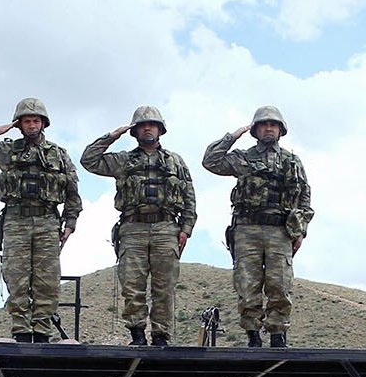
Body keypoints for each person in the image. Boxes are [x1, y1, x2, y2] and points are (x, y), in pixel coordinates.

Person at [0, 98, 83, 342]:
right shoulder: (7, 151)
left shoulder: (59, 155)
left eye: (36, 121)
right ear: (19, 125)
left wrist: (70, 223)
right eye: (27, 121)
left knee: (46, 281)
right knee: (17, 277)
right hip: (16, 221)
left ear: (43, 124)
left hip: (47, 222)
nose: (32, 125)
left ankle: (41, 331)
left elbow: (73, 192)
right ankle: (21, 330)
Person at [80, 106, 197, 347]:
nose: (147, 128)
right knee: (133, 286)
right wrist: (112, 136)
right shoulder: (124, 160)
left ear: (160, 129)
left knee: (164, 287)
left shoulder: (175, 161)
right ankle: (137, 334)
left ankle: (161, 336)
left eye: (152, 125)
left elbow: (189, 197)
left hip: (166, 228)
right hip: (133, 228)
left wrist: (186, 229)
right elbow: (89, 160)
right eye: (142, 125)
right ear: (135, 131)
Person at [201, 106, 314, 347]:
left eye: (273, 124)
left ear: (281, 130)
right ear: (255, 130)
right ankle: (253, 335)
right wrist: (232, 136)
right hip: (247, 230)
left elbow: (305, 197)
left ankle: (277, 334)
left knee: (280, 284)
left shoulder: (292, 161)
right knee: (247, 284)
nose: (269, 128)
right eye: (263, 124)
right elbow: (210, 161)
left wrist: (300, 230)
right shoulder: (243, 158)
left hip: (280, 231)